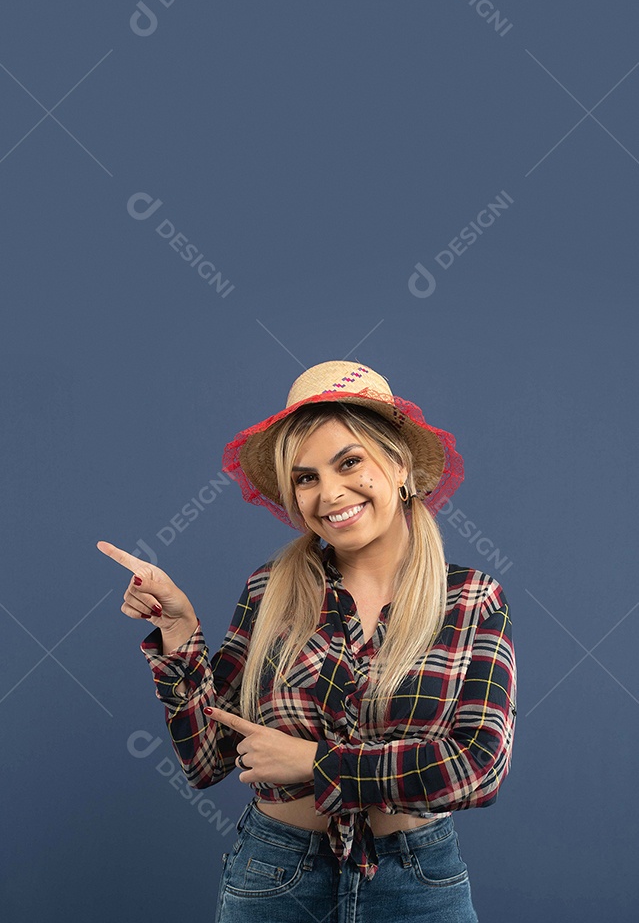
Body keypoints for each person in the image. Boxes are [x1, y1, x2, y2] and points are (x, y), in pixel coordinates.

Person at [98, 360, 517, 922]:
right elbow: (207, 760)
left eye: (349, 462)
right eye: (306, 477)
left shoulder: (470, 598)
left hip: (418, 881)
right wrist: (178, 632)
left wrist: (318, 764)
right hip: (275, 875)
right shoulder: (270, 591)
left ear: (397, 465)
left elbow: (479, 767)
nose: (329, 493)